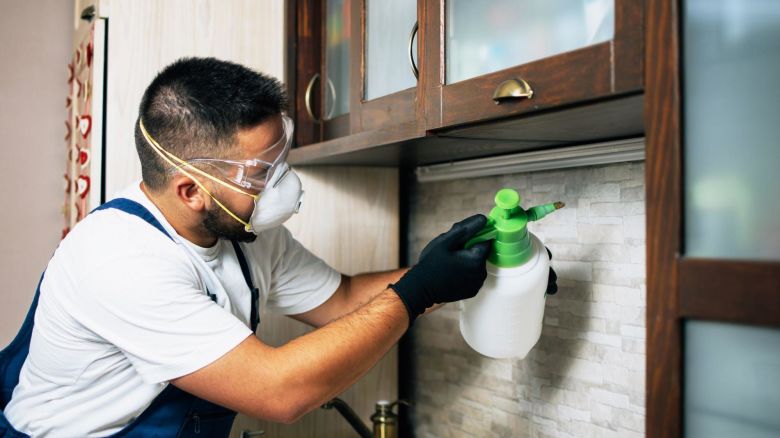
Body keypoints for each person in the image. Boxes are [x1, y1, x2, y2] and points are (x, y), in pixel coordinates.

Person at [1, 57, 554, 437]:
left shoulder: (242, 232)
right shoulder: (121, 262)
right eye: (263, 173)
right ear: (190, 190)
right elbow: (279, 392)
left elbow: (341, 302)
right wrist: (417, 292)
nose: (284, 185)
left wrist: (470, 269)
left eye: (280, 160)